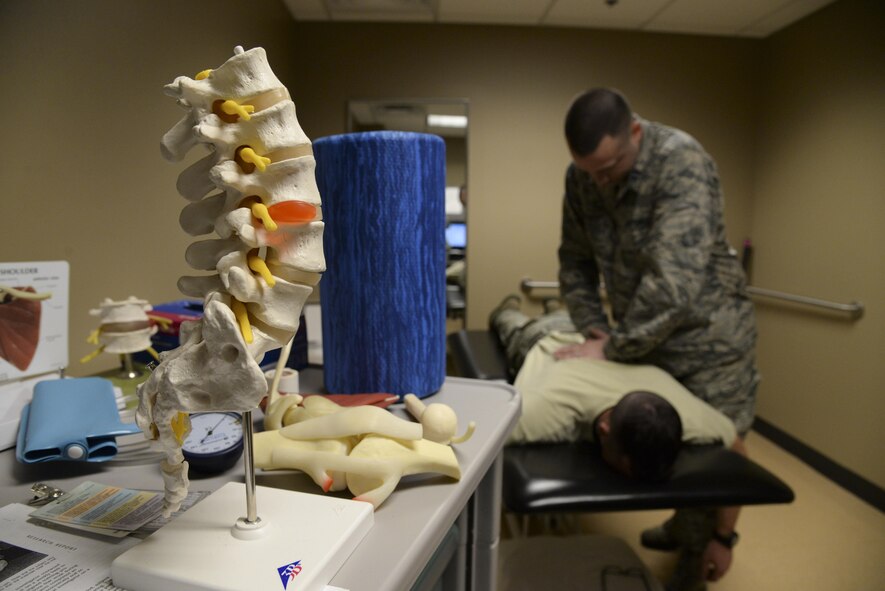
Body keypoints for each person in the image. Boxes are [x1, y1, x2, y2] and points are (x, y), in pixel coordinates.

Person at [555, 88, 758, 589]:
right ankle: (682, 526)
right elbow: (575, 260)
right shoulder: (583, 176)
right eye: (588, 171)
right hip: (642, 334)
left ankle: (697, 558)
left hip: (709, 340)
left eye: (608, 168)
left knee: (709, 450)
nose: (598, 181)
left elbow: (673, 284)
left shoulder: (681, 161)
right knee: (657, 440)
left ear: (636, 133)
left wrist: (613, 347)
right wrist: (594, 328)